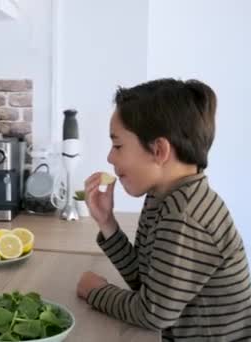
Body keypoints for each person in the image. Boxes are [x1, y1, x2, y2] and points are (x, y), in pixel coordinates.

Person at [77, 78, 251, 340]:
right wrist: (107, 223)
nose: (110, 158)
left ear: (159, 150)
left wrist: (97, 292)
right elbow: (147, 284)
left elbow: (153, 313)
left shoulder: (184, 217)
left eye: (118, 145)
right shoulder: (163, 197)